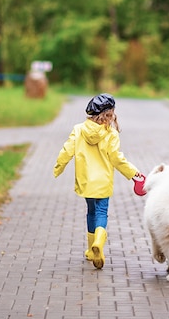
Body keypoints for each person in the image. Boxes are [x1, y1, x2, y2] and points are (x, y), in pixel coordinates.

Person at [53, 93, 142, 269]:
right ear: (109, 114)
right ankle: (99, 244)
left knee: (91, 212)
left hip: (86, 181)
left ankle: (90, 249)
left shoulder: (78, 130)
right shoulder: (111, 134)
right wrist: (133, 174)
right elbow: (117, 159)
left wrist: (59, 166)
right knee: (102, 213)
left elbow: (67, 150)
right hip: (103, 182)